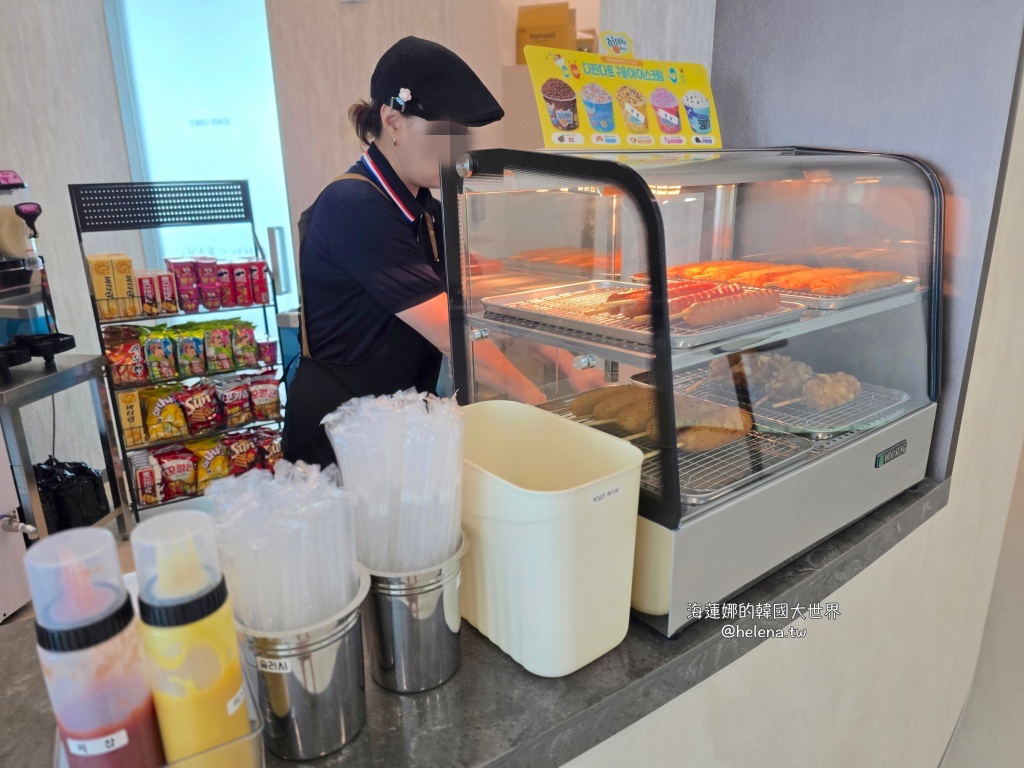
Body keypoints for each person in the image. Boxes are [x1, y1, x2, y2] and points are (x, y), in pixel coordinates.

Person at [283, 37, 599, 467]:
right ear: (392, 120)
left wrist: (565, 359)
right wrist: (536, 403)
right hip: (338, 444)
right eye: (443, 133)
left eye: (461, 135)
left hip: (394, 427)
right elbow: (451, 332)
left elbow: (472, 305)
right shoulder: (354, 208)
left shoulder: (426, 209)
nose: (456, 150)